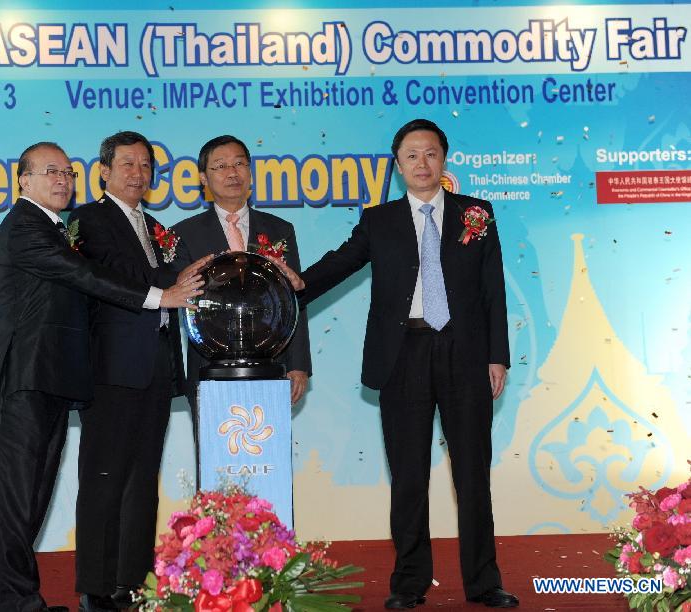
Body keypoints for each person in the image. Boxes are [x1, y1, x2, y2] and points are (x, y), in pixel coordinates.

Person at [273, 119, 518, 609]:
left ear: (444, 160)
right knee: (408, 475)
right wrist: (296, 284)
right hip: (401, 355)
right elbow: (341, 262)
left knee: (473, 473)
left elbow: (493, 289)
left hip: (465, 355)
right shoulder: (379, 220)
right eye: (411, 155)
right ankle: (408, 583)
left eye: (430, 153)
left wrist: (498, 356)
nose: (421, 163)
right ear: (398, 164)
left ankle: (484, 581)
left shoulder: (478, 214)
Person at [0, 141, 204, 612]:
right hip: (21, 379)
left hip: (51, 379)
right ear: (24, 179)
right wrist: (159, 297)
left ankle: (10, 599)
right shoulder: (26, 227)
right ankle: (15, 601)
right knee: (20, 501)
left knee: (30, 500)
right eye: (50, 172)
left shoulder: (55, 227)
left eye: (66, 172)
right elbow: (82, 273)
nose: (61, 180)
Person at [68, 131, 203, 612]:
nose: (138, 174)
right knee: (104, 480)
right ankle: (98, 587)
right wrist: (174, 281)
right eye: (127, 164)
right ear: (103, 171)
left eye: (146, 166)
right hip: (111, 369)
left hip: (158, 367)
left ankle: (133, 581)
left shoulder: (157, 226)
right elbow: (116, 273)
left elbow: (180, 287)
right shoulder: (88, 220)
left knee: (143, 480)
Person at [170, 134, 312, 467]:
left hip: (270, 366)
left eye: (239, 164)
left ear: (250, 172)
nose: (232, 173)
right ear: (204, 179)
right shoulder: (183, 233)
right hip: (208, 368)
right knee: (216, 463)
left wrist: (298, 364)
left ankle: (267, 522)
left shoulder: (279, 229)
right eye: (220, 166)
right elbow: (176, 298)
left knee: (267, 463)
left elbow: (294, 298)